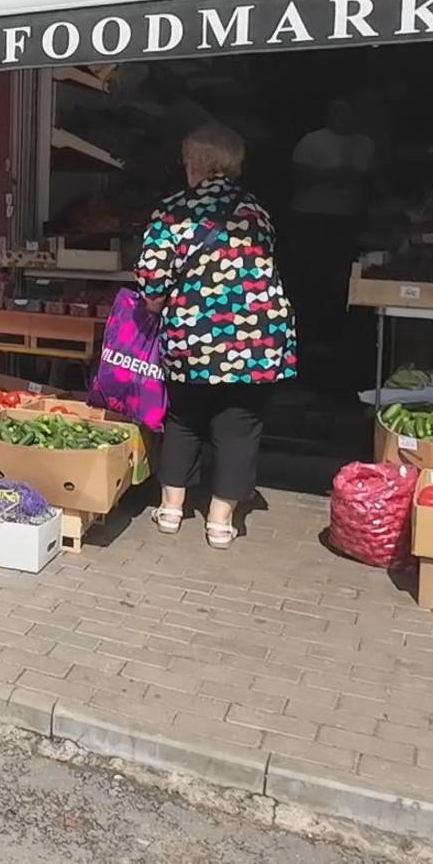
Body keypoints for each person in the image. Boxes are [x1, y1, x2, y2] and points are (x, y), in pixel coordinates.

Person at [134, 123, 298, 549]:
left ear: (194, 162)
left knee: (184, 419)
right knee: (239, 425)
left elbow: (152, 281)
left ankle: (171, 510)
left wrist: (154, 305)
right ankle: (221, 522)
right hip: (257, 337)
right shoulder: (256, 211)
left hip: (193, 336)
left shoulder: (173, 211)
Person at [288, 99, 375, 349]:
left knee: (342, 274)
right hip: (312, 215)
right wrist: (334, 175)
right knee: (312, 272)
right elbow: (297, 178)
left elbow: (372, 182)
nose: (344, 117)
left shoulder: (365, 143)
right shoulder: (311, 141)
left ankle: (335, 332)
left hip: (348, 217)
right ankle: (306, 333)